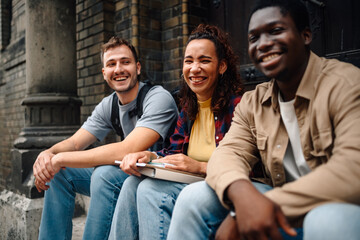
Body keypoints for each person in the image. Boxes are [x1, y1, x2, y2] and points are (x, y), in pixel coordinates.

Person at [166, 0, 360, 239]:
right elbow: (227, 155)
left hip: (337, 204)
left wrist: (252, 209)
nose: (264, 44)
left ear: (305, 35)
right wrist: (241, 195)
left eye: (276, 31)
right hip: (271, 199)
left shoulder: (347, 84)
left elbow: (353, 168)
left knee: (326, 220)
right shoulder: (254, 102)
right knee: (193, 198)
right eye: (254, 38)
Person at [32, 37, 178, 240]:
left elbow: (127, 148)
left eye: (125, 62)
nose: (118, 69)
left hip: (159, 175)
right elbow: (75, 143)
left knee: (104, 174)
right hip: (132, 170)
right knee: (60, 173)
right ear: (104, 73)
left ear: (137, 68)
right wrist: (47, 155)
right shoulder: (109, 105)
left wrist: (60, 159)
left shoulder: (158, 98)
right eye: (111, 64)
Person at [107, 24, 243, 240]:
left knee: (150, 191)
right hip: (192, 182)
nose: (195, 68)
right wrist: (150, 156)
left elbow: (249, 166)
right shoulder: (189, 110)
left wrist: (200, 167)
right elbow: (173, 152)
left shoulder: (239, 107)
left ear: (222, 66)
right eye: (189, 61)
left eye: (204, 60)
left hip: (222, 187)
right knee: (132, 183)